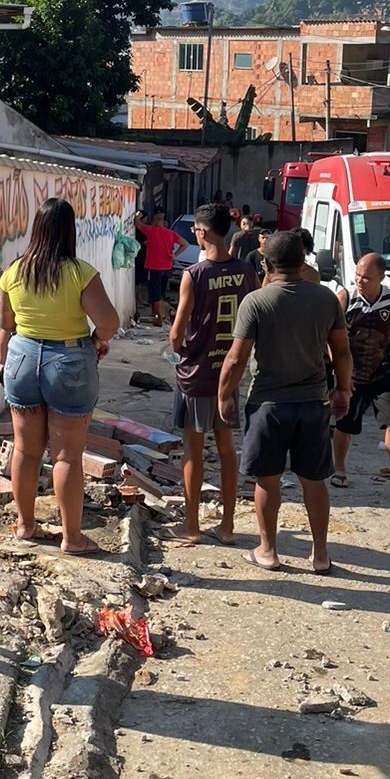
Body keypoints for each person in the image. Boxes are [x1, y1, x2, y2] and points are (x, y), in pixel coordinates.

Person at [218, 232, 352, 573]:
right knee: (314, 480)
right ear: (304, 261)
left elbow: (235, 359)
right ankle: (320, 555)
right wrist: (343, 390)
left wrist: (224, 395)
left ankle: (268, 550)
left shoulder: (257, 302)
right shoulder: (326, 300)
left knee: (267, 479)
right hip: (313, 402)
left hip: (268, 405)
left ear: (266, 264)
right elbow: (342, 351)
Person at [0, 197, 120, 554]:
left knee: (25, 449)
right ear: (70, 231)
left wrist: (2, 364)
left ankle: (25, 524)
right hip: (68, 360)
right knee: (66, 456)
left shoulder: (13, 272)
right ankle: (72, 537)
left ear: (36, 229)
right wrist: (97, 342)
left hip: (21, 358)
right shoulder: (80, 273)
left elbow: (4, 327)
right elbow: (109, 322)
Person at [168, 203, 260, 545]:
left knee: (193, 449)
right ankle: (228, 526)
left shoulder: (194, 274)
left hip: (197, 372)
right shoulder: (248, 272)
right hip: (231, 371)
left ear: (203, 232)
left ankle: (191, 526)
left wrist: (179, 349)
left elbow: (176, 334)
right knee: (226, 448)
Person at [330, 253, 390, 499]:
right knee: (345, 423)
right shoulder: (345, 298)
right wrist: (340, 375)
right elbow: (330, 338)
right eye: (357, 275)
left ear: (381, 277)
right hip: (352, 374)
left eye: (366, 277)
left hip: (382, 370)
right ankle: (339, 469)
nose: (360, 280)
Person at [135, 210, 188, 326]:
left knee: (155, 294)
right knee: (162, 293)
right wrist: (175, 254)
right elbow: (185, 244)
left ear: (154, 222)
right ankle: (161, 316)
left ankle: (159, 318)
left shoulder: (151, 231)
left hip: (154, 267)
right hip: (167, 267)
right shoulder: (171, 234)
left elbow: (138, 224)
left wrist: (137, 216)